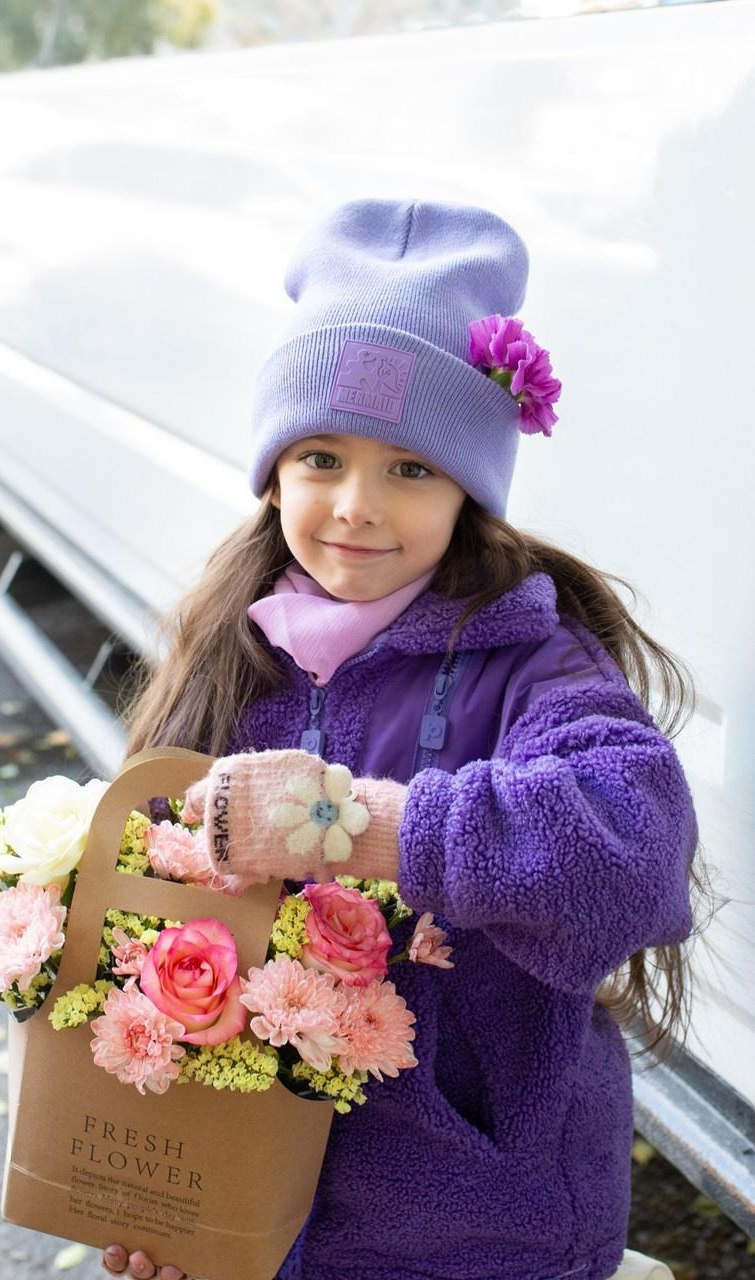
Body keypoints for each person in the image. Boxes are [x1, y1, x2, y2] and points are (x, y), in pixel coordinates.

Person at [102, 199, 699, 1280]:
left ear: (470, 486)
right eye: (320, 456)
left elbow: (634, 847)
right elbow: (149, 923)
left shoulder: (533, 663)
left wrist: (350, 823)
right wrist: (161, 1190)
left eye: (411, 468)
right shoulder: (235, 653)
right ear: (271, 471)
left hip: (480, 1226)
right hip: (271, 1218)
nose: (357, 507)